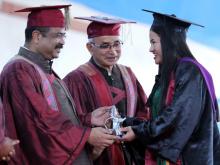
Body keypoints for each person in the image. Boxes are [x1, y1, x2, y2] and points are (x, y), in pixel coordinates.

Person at [0, 5, 117, 165]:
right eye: (58, 35)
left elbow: (56, 116)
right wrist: (87, 135)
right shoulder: (19, 69)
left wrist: (88, 119)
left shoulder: (42, 68)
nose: (63, 42)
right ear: (37, 36)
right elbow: (38, 121)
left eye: (64, 36)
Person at [120, 10, 220, 165]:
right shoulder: (172, 72)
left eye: (153, 42)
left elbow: (177, 117)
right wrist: (130, 124)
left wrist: (139, 132)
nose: (150, 49)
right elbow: (162, 116)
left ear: (168, 41)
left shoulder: (189, 71)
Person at [63, 16, 149, 165]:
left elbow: (144, 112)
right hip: (97, 156)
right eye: (105, 46)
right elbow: (69, 124)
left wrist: (136, 130)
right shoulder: (76, 79)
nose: (113, 52)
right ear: (90, 48)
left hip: (130, 154)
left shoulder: (128, 74)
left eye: (117, 44)